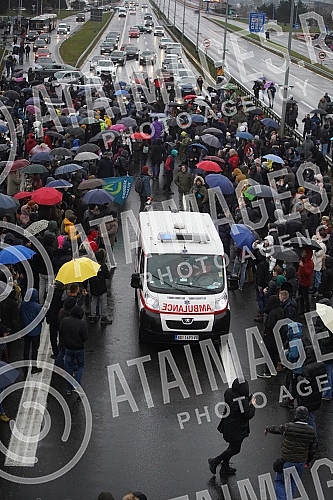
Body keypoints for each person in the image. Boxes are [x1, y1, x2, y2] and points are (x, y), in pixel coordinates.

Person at [264, 406, 317, 500]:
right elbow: (313, 448)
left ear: (296, 415)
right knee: (292, 482)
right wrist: (308, 461)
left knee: (279, 481)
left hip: (286, 461)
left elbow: (277, 429)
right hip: (300, 462)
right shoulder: (311, 431)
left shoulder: (289, 426)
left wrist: (268, 429)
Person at [208, 378, 256, 475]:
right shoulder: (242, 401)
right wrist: (252, 405)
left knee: (231, 447)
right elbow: (249, 414)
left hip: (228, 426)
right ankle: (215, 461)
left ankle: (225, 467)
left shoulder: (228, 393)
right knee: (235, 449)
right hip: (236, 429)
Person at [60, 305, 88, 396]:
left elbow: (61, 332)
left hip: (68, 348)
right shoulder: (82, 323)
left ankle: (69, 388)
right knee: (80, 366)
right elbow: (85, 337)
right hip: (79, 349)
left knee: (68, 368)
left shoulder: (65, 321)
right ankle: (78, 386)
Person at [20, 288, 43, 376]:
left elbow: (20, 315)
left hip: (26, 330)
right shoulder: (37, 306)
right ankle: (34, 367)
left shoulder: (23, 304)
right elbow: (41, 319)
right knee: (34, 349)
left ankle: (25, 366)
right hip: (35, 332)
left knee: (26, 348)